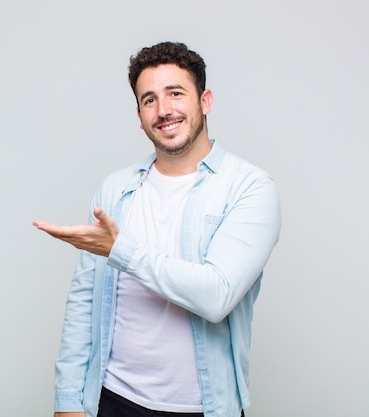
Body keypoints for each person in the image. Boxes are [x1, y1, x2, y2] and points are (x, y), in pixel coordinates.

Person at [33, 41, 281, 417]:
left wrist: (121, 250)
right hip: (111, 399)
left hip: (204, 408)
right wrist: (68, 402)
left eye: (176, 94)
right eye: (149, 100)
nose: (163, 110)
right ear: (139, 115)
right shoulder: (114, 189)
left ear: (205, 100)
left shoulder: (249, 188)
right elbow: (84, 302)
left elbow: (216, 295)